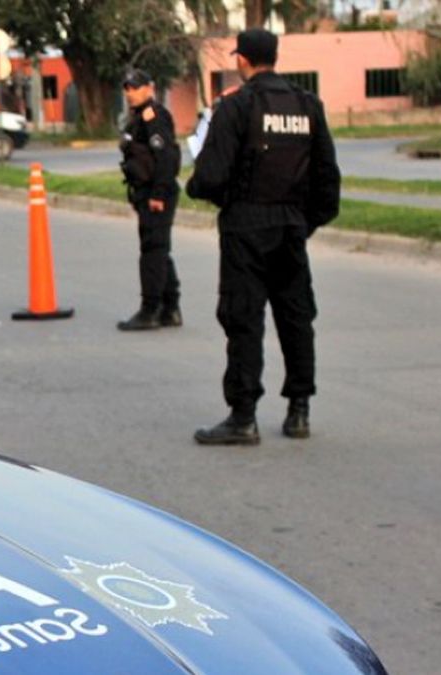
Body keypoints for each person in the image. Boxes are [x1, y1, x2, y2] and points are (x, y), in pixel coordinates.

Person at [186, 28, 340, 445]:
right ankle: (299, 411)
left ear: (242, 60)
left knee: (243, 319)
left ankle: (243, 416)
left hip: (245, 228)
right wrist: (305, 222)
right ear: (275, 56)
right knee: (295, 318)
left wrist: (202, 190)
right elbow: (327, 178)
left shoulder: (238, 107)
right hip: (291, 227)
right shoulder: (307, 105)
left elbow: (211, 175)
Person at [117, 68, 183, 331]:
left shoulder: (154, 116)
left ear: (149, 87)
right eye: (127, 88)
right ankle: (170, 308)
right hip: (146, 192)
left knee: (152, 253)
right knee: (158, 250)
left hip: (157, 193)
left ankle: (150, 310)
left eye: (135, 87)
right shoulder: (136, 118)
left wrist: (158, 194)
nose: (130, 93)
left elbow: (166, 157)